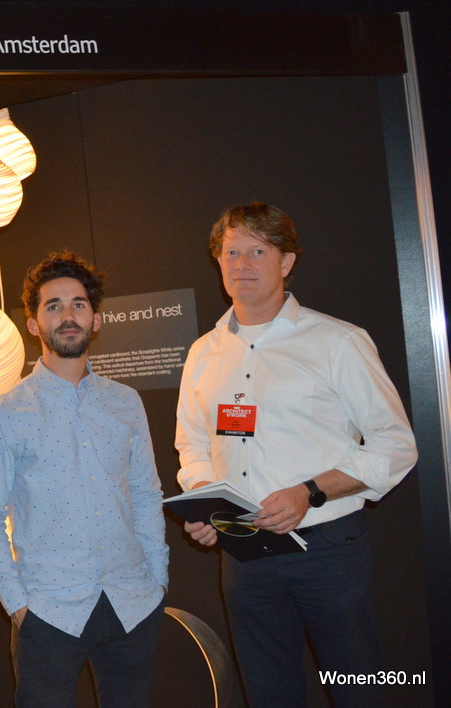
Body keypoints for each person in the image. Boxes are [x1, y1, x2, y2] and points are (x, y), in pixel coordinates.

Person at [175, 202, 418, 708]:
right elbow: (192, 445)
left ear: (286, 262)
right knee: (269, 693)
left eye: (257, 252)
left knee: (358, 688)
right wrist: (205, 501)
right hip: (243, 553)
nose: (241, 264)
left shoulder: (337, 341)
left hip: (327, 550)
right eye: (231, 252)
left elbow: (395, 445)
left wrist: (310, 492)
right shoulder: (203, 353)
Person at [0, 250, 169, 708]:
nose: (68, 315)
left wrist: (157, 580)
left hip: (132, 602)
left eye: (78, 304)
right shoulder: (5, 412)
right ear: (33, 324)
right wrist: (18, 605)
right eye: (53, 306)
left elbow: (145, 493)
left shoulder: (125, 402)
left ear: (96, 320)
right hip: (49, 612)